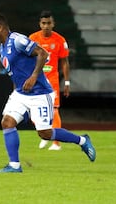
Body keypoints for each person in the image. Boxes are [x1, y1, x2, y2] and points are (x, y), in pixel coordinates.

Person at [0, 13, 96, 173]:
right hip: (20, 94)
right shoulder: (2, 47)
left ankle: (82, 140)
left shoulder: (17, 40)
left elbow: (43, 53)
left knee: (44, 133)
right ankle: (14, 165)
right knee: (7, 122)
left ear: (0, 27)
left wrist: (34, 76)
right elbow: (16, 72)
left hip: (40, 93)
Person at [29, 10, 70, 151]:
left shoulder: (60, 40)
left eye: (49, 23)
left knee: (54, 110)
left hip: (52, 80)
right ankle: (45, 134)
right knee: (32, 110)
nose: (46, 26)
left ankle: (56, 143)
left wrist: (67, 82)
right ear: (40, 24)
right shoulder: (33, 38)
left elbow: (64, 62)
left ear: (53, 24)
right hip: (36, 79)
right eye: (43, 23)